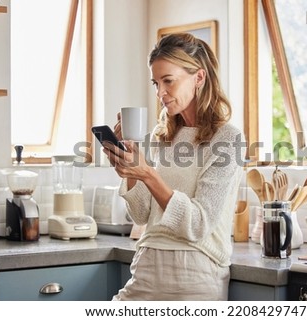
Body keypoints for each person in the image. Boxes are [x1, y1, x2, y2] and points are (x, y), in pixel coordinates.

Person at [102, 33, 245, 301]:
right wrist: (130, 168)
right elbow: (141, 215)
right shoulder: (163, 135)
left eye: (168, 81)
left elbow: (198, 225)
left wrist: (147, 173)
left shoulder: (227, 139)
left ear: (199, 77)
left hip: (194, 274)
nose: (160, 93)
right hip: (146, 266)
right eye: (156, 83)